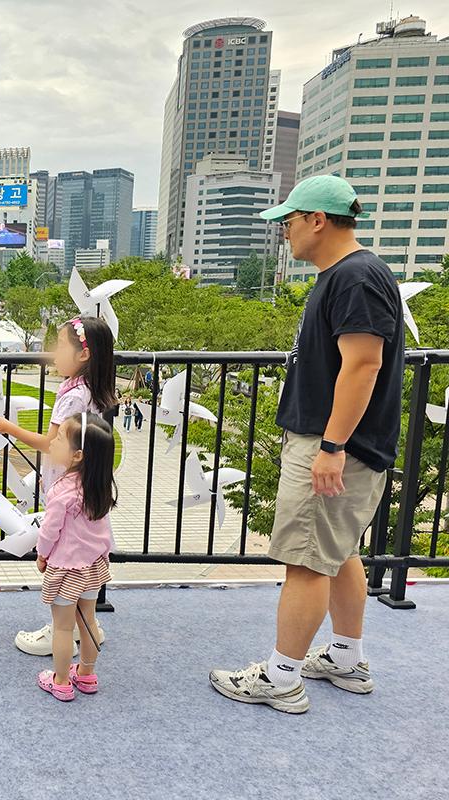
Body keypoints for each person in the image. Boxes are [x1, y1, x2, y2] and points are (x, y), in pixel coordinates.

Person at [210, 174, 404, 714]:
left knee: (306, 562)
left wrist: (332, 446)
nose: (285, 234)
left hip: (336, 446)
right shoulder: (348, 275)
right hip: (339, 444)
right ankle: (346, 658)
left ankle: (281, 678)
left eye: (289, 223)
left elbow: (364, 364)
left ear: (318, 220)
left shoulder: (355, 278)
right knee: (337, 554)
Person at [0, 316, 117, 657]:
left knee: (63, 560)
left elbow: (49, 442)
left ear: (83, 355)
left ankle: (61, 631)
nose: (53, 353)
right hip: (87, 486)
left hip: (66, 487)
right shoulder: (92, 390)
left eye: (60, 345)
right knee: (84, 560)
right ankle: (90, 630)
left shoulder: (74, 396)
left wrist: (6, 427)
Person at [34, 413, 117, 702]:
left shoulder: (62, 492)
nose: (53, 440)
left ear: (78, 455)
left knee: (63, 627)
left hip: (66, 569)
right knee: (89, 622)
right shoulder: (99, 488)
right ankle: (86, 674)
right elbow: (104, 532)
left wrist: (42, 555)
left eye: (59, 439)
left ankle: (60, 681)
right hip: (93, 567)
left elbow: (49, 531)